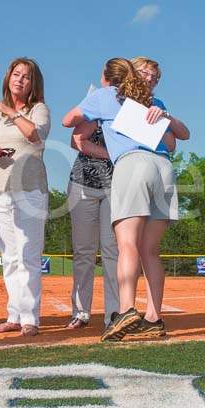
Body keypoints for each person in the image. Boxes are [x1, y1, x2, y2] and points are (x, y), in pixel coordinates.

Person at [62, 57, 189, 341]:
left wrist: (94, 106)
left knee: (127, 244)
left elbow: (67, 120)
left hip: (133, 165)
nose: (150, 79)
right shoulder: (157, 103)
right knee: (150, 250)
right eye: (146, 73)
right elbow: (176, 141)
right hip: (164, 169)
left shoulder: (108, 95)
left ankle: (126, 310)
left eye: (154, 76)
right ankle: (154, 319)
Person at [0, 58, 50, 337]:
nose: (20, 79)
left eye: (26, 76)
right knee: (9, 256)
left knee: (28, 255)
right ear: (8, 78)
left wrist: (10, 111)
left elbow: (34, 134)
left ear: (34, 83)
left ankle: (31, 317)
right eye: (16, 74)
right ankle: (14, 315)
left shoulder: (39, 110)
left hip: (30, 189)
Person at [66, 116, 119, 330]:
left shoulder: (133, 109)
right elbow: (75, 140)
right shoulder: (95, 109)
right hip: (82, 185)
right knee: (83, 252)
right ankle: (80, 312)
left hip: (115, 186)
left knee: (112, 251)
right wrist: (112, 153)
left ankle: (114, 314)